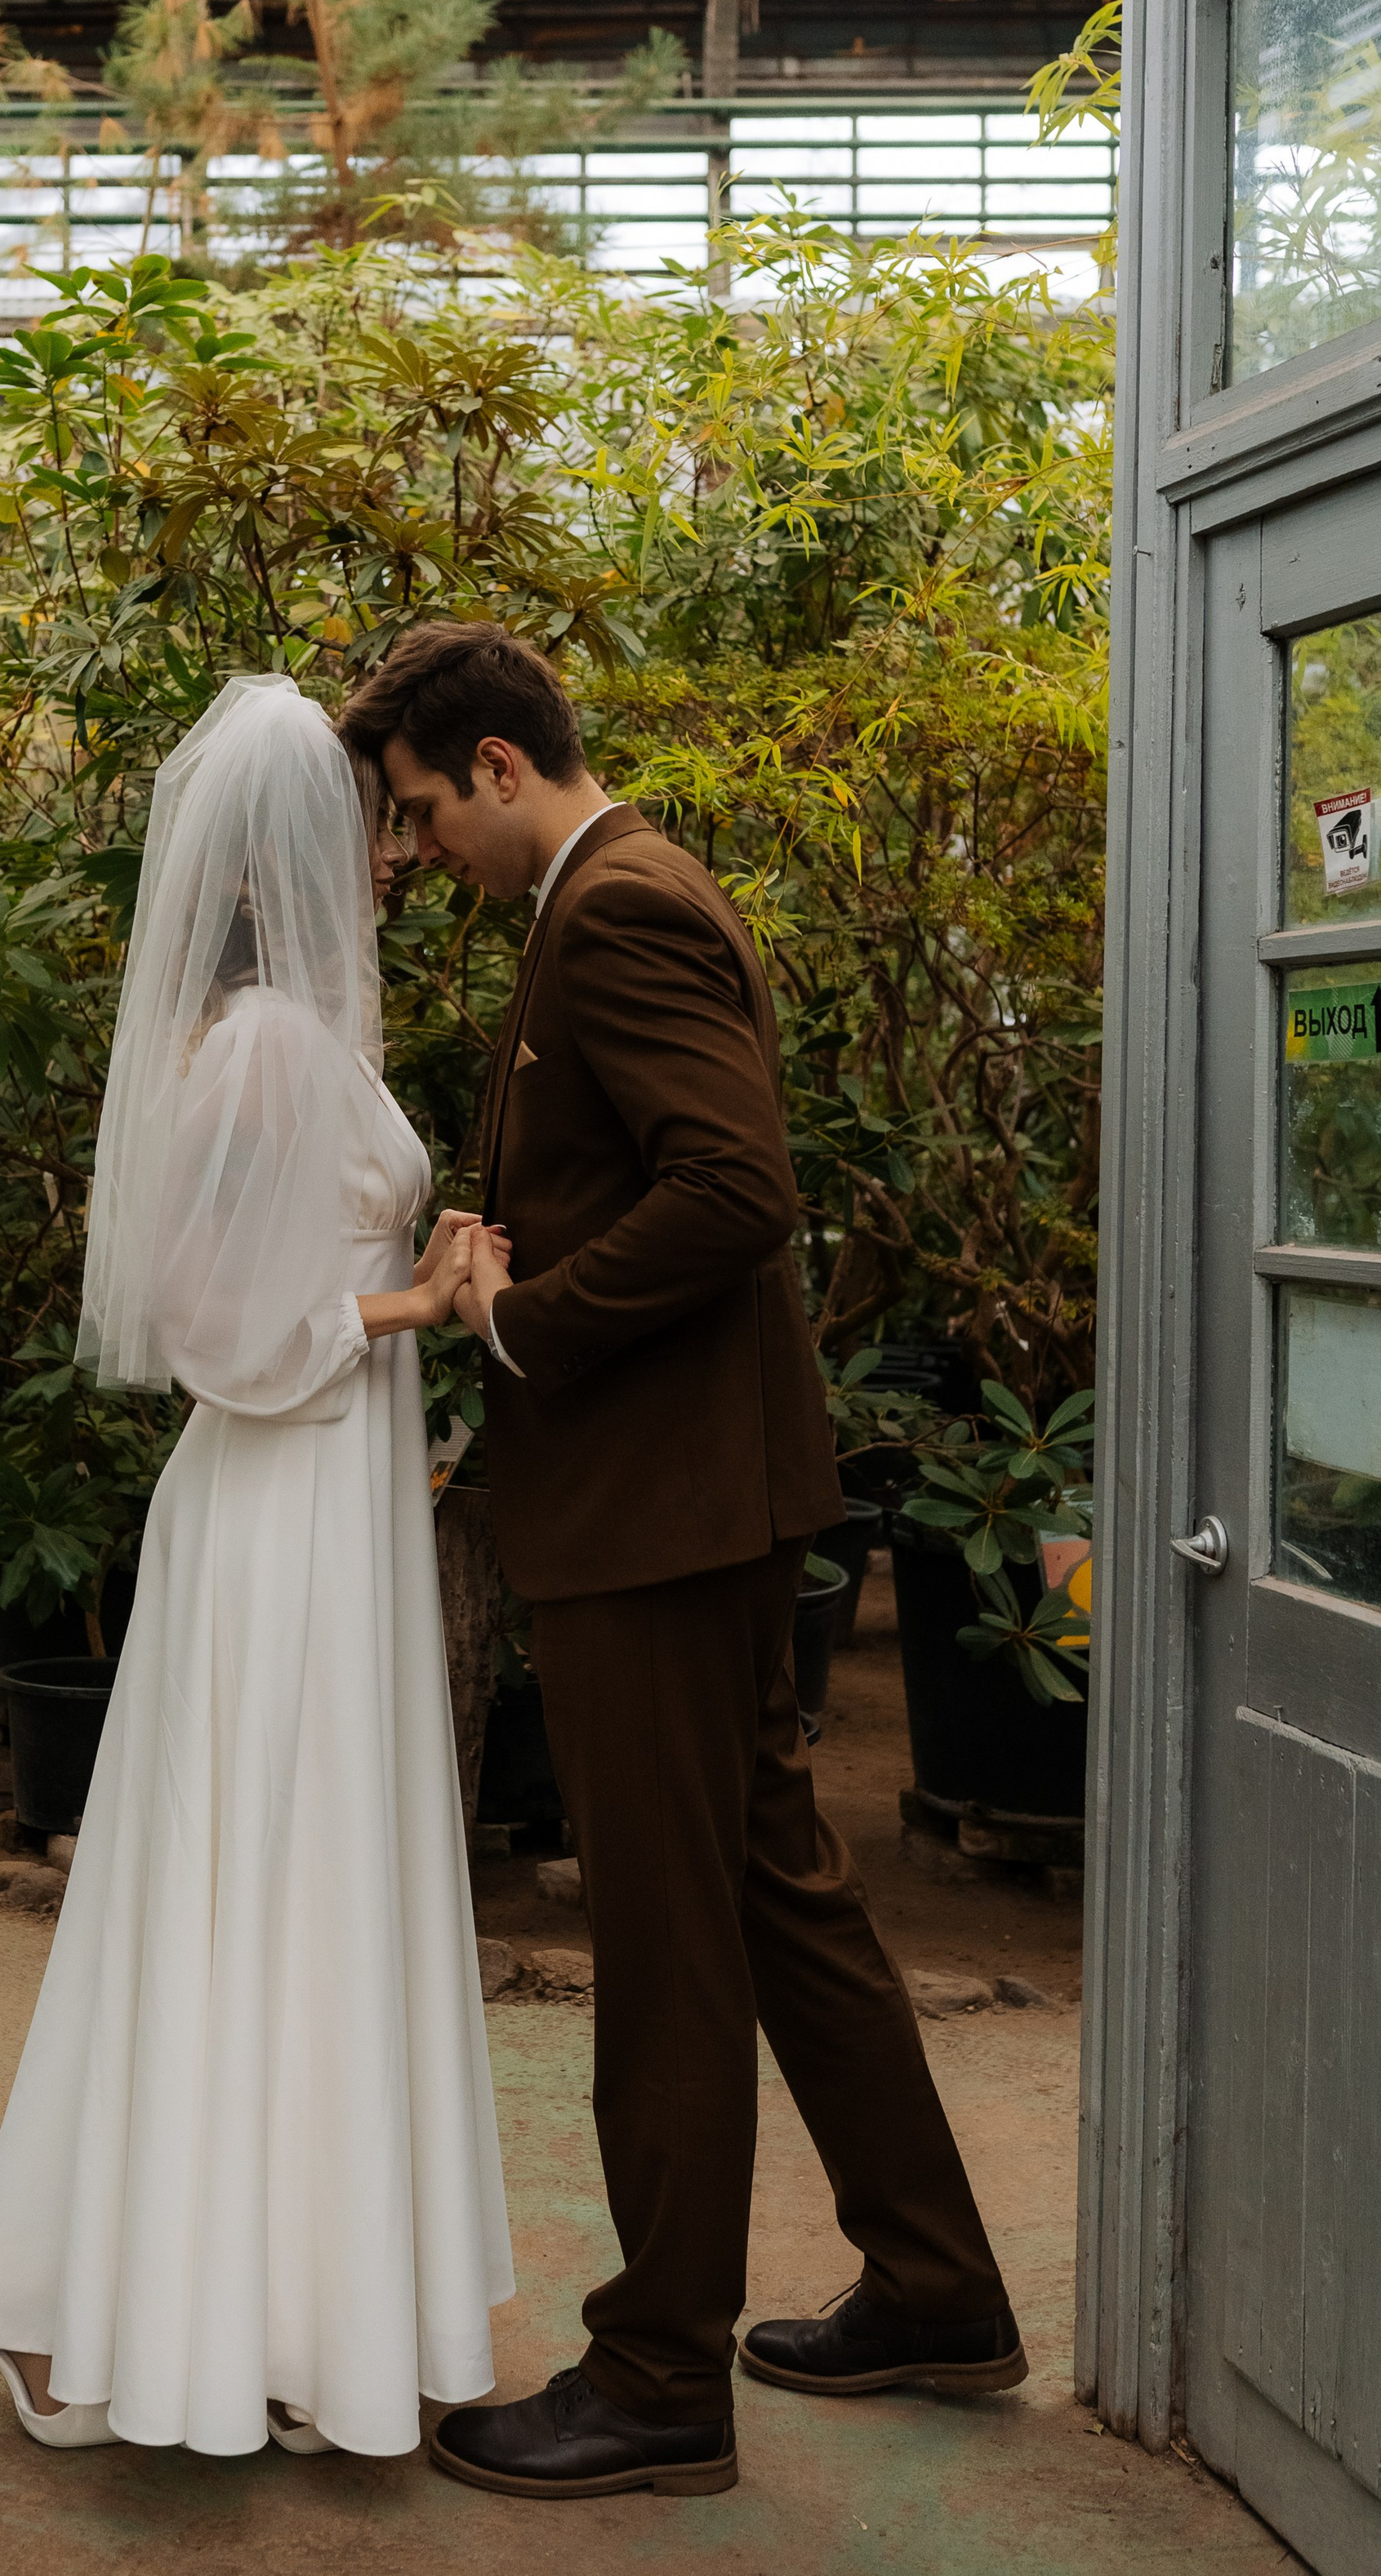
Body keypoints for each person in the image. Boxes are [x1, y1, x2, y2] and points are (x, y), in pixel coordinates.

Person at [337, 621, 1023, 2505]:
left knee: (662, 1946)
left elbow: (733, 1189)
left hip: (655, 1517)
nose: (410, 856)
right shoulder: (612, 894)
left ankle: (654, 2380)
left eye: (414, 813)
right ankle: (937, 2285)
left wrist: (522, 1314)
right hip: (692, 1503)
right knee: (775, 1892)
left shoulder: (613, 904)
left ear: (492, 764)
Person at [0, 674, 514, 2460]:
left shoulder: (297, 1030)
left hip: (327, 1497)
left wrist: (430, 1264)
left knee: (303, 1888)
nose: (398, 850)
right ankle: (212, 2317)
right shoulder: (262, 1041)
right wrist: (404, 1297)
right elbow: (205, 1319)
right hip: (274, 1506)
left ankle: (276, 2306)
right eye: (371, 825)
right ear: (297, 855)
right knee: (262, 1884)